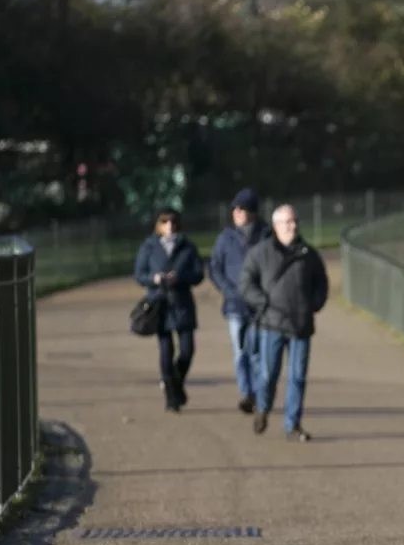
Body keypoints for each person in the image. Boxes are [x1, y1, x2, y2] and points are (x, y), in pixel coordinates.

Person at [239, 204, 328, 442]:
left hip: (301, 324)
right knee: (268, 375)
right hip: (272, 324)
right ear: (276, 226)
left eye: (295, 221)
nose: (293, 226)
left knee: (298, 377)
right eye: (287, 222)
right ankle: (263, 408)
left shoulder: (309, 255)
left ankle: (293, 425)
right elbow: (246, 283)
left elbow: (321, 284)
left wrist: (313, 304)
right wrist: (263, 303)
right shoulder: (260, 253)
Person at [133, 209, 205, 412]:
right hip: (160, 304)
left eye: (173, 222)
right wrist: (154, 279)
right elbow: (139, 274)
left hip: (182, 303)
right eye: (165, 222)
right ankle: (171, 398)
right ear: (159, 225)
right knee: (166, 350)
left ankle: (176, 383)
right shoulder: (149, 247)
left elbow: (198, 274)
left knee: (187, 350)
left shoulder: (187, 247)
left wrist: (180, 277)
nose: (169, 226)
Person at [209, 188, 271, 414]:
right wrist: (227, 289)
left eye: (242, 208)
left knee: (256, 352)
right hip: (234, 304)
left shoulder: (266, 235)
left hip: (258, 305)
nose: (236, 212)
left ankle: (257, 393)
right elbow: (215, 267)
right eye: (234, 208)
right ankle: (246, 393)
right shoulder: (225, 238)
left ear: (253, 212)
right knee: (240, 351)